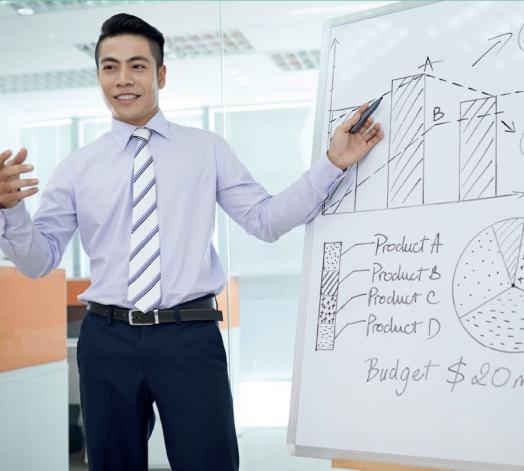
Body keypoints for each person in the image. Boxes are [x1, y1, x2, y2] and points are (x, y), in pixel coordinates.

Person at [0, 13, 383, 471]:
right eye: (110, 66)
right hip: (106, 341)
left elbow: (265, 220)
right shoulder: (78, 166)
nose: (124, 79)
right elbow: (39, 261)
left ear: (161, 74)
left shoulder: (207, 149)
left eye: (138, 66)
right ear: (99, 75)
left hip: (189, 337)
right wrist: (11, 211)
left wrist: (332, 163)